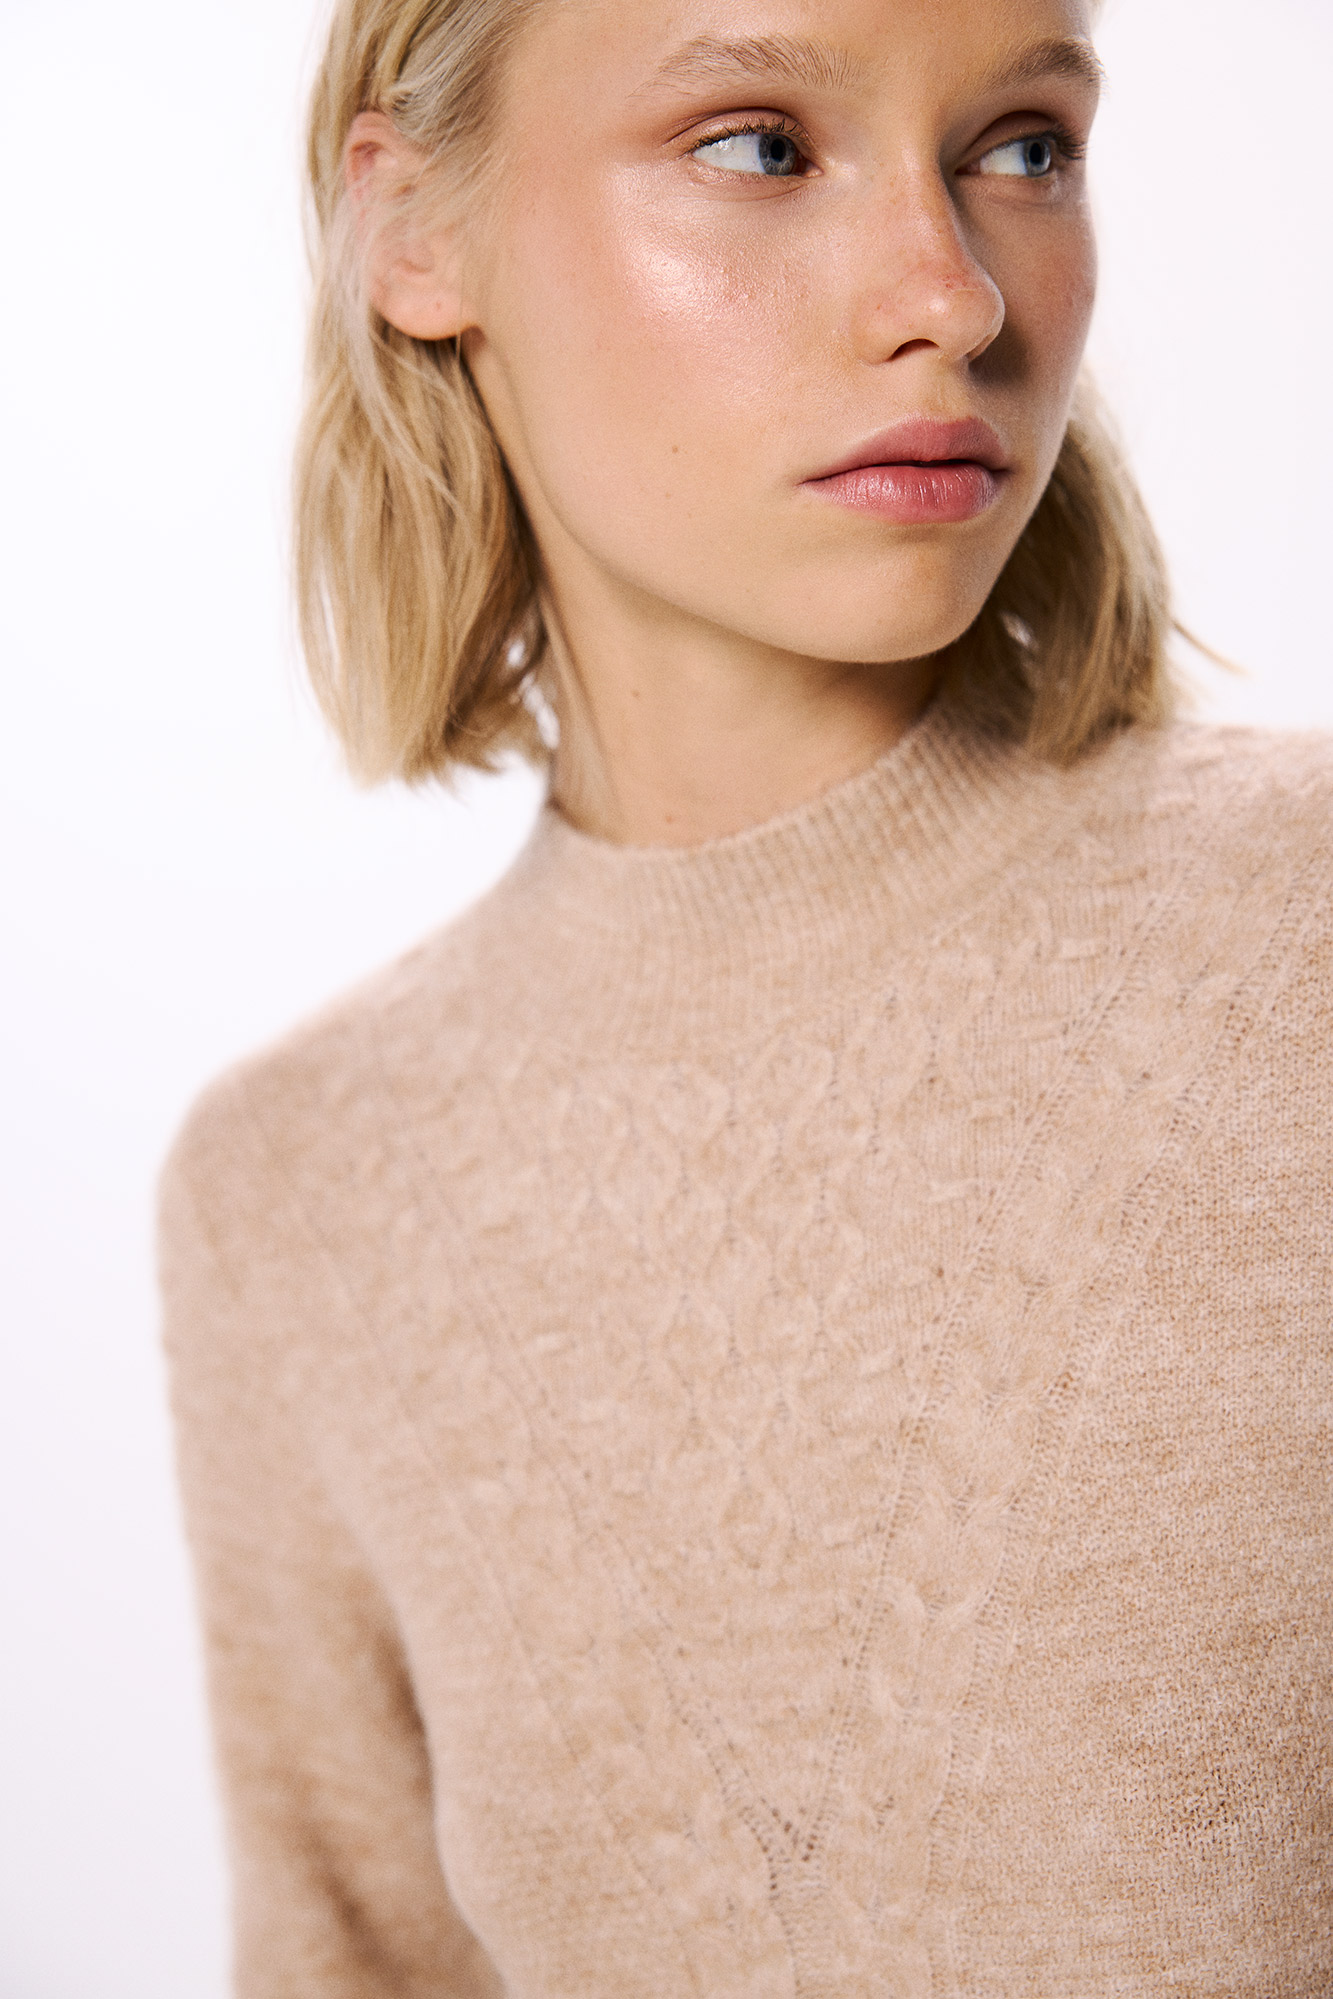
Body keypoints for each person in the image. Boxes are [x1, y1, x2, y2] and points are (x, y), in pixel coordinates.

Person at [158, 0, 1333, 1990]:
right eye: (759, 146)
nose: (951, 297)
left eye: (1022, 148)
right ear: (412, 228)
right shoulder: (298, 1194)